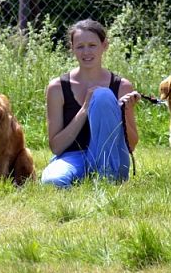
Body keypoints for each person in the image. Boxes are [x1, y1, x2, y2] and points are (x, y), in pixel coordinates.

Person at [41, 19, 140, 188]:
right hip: (72, 157)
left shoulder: (122, 86)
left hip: (112, 157)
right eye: (80, 46)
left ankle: (106, 178)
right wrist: (86, 107)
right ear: (72, 49)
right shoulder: (57, 87)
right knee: (52, 182)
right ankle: (86, 177)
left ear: (104, 46)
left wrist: (122, 112)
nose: (86, 52)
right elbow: (56, 147)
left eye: (92, 45)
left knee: (102, 96)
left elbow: (131, 144)